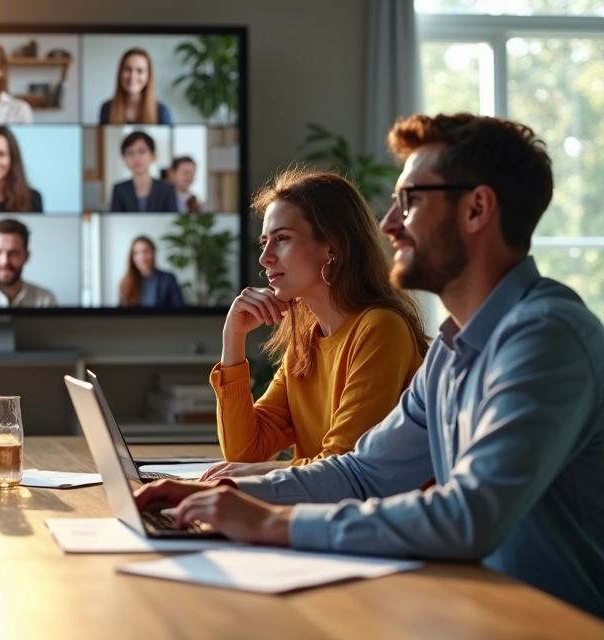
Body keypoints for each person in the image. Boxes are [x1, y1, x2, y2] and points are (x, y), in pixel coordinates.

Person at [134, 114, 604, 619]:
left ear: (477, 209)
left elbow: (469, 515)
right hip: (472, 607)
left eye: (411, 201)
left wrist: (273, 523)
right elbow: (364, 472)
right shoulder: (453, 349)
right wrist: (226, 491)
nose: (387, 224)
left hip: (555, 622)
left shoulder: (546, 337)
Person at [199, 167, 429, 479]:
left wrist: (257, 474)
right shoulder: (305, 341)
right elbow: (245, 451)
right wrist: (233, 338)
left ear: (332, 247)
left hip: (377, 523)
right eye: (265, 241)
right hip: (315, 513)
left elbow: (344, 468)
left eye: (282, 238)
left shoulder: (380, 329)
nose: (264, 257)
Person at [98, 48, 173, 125]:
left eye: (139, 70)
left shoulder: (162, 111)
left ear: (148, 76)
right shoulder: (107, 108)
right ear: (120, 73)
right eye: (127, 69)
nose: (132, 76)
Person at [109, 131, 177, 212]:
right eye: (130, 153)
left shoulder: (167, 189)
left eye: (141, 151)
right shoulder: (119, 189)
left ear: (153, 155)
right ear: (124, 160)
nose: (136, 157)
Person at [118, 236, 185, 307]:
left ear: (153, 252)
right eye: (136, 253)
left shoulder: (168, 279)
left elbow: (179, 311)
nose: (142, 256)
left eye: (146, 251)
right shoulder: (125, 283)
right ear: (132, 257)